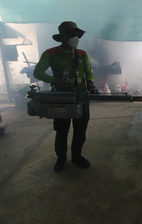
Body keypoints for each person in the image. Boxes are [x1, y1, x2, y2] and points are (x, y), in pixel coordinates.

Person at [33, 21, 97, 172]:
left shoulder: (82, 54)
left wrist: (90, 82)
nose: (75, 37)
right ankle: (61, 158)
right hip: (62, 98)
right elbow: (38, 72)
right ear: (62, 37)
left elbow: (89, 71)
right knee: (62, 131)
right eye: (71, 34)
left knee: (80, 131)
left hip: (82, 98)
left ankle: (77, 157)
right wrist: (54, 80)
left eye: (77, 34)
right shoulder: (51, 53)